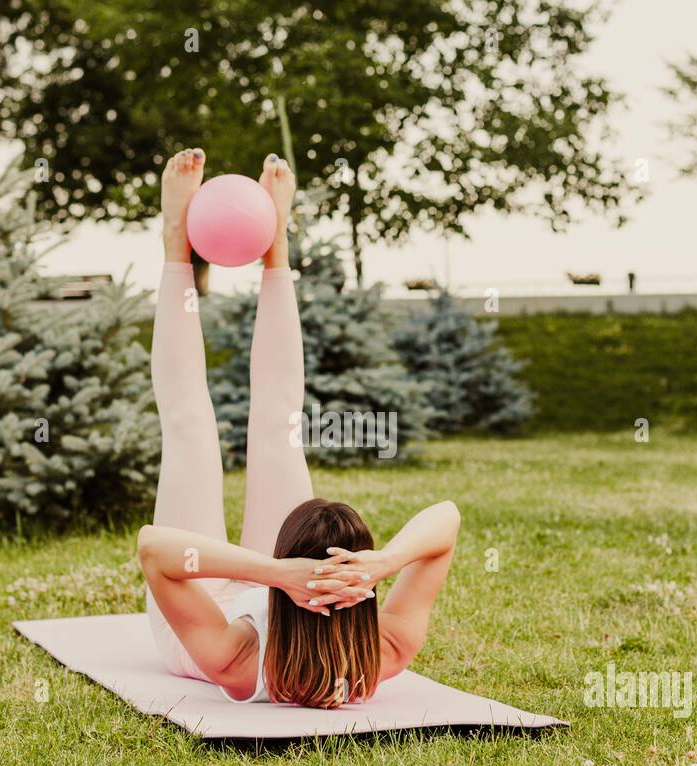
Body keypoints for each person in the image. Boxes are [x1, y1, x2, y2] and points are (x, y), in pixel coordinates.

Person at [137, 148, 461, 709]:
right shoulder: (383, 651)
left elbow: (154, 550)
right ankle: (278, 246)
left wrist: (276, 572)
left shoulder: (236, 659)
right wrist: (381, 564)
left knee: (189, 427)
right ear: (359, 588)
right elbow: (447, 519)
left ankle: (174, 245)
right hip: (270, 583)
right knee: (280, 422)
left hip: (211, 597)